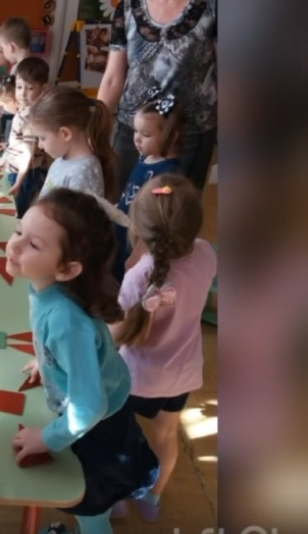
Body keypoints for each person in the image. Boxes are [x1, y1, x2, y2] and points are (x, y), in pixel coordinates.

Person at [7, 189, 159, 534]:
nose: (14, 246)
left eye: (33, 244)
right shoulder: (47, 288)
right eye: (18, 231)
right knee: (101, 494)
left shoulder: (66, 320)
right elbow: (70, 347)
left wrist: (46, 439)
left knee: (89, 508)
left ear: (67, 269)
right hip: (103, 404)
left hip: (98, 425)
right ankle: (111, 504)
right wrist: (47, 362)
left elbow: (89, 408)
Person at [109, 175, 216, 522]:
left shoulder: (139, 276)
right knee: (167, 437)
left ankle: (117, 499)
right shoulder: (206, 253)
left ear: (138, 228)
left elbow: (117, 331)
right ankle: (152, 499)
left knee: (118, 439)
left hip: (136, 379)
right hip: (182, 374)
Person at [97, 0, 217, 195]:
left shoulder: (215, 2)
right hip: (132, 132)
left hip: (186, 136)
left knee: (170, 215)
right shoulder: (127, 9)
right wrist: (93, 131)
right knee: (119, 206)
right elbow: (113, 78)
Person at [112, 91, 184, 281]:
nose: (136, 138)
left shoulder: (168, 175)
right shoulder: (146, 157)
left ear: (171, 135)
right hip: (124, 229)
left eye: (145, 134)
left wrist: (137, 253)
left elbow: (156, 221)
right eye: (136, 131)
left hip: (137, 241)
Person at [29, 86, 116, 201]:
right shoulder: (62, 158)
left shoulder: (83, 175)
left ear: (65, 134)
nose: (40, 145)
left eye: (42, 138)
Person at [0, 56, 48, 218]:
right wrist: (8, 149)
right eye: (19, 87)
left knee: (17, 214)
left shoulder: (29, 117)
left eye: (30, 88)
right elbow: (22, 142)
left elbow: (27, 153)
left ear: (43, 89)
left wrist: (20, 181)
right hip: (19, 171)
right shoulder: (24, 111)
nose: (22, 94)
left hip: (24, 174)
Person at [0, 17, 32, 144]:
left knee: (11, 145)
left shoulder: (20, 69)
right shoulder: (32, 65)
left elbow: (15, 97)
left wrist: (3, 106)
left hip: (18, 118)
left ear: (11, 47)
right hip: (23, 117)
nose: (2, 52)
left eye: (2, 48)